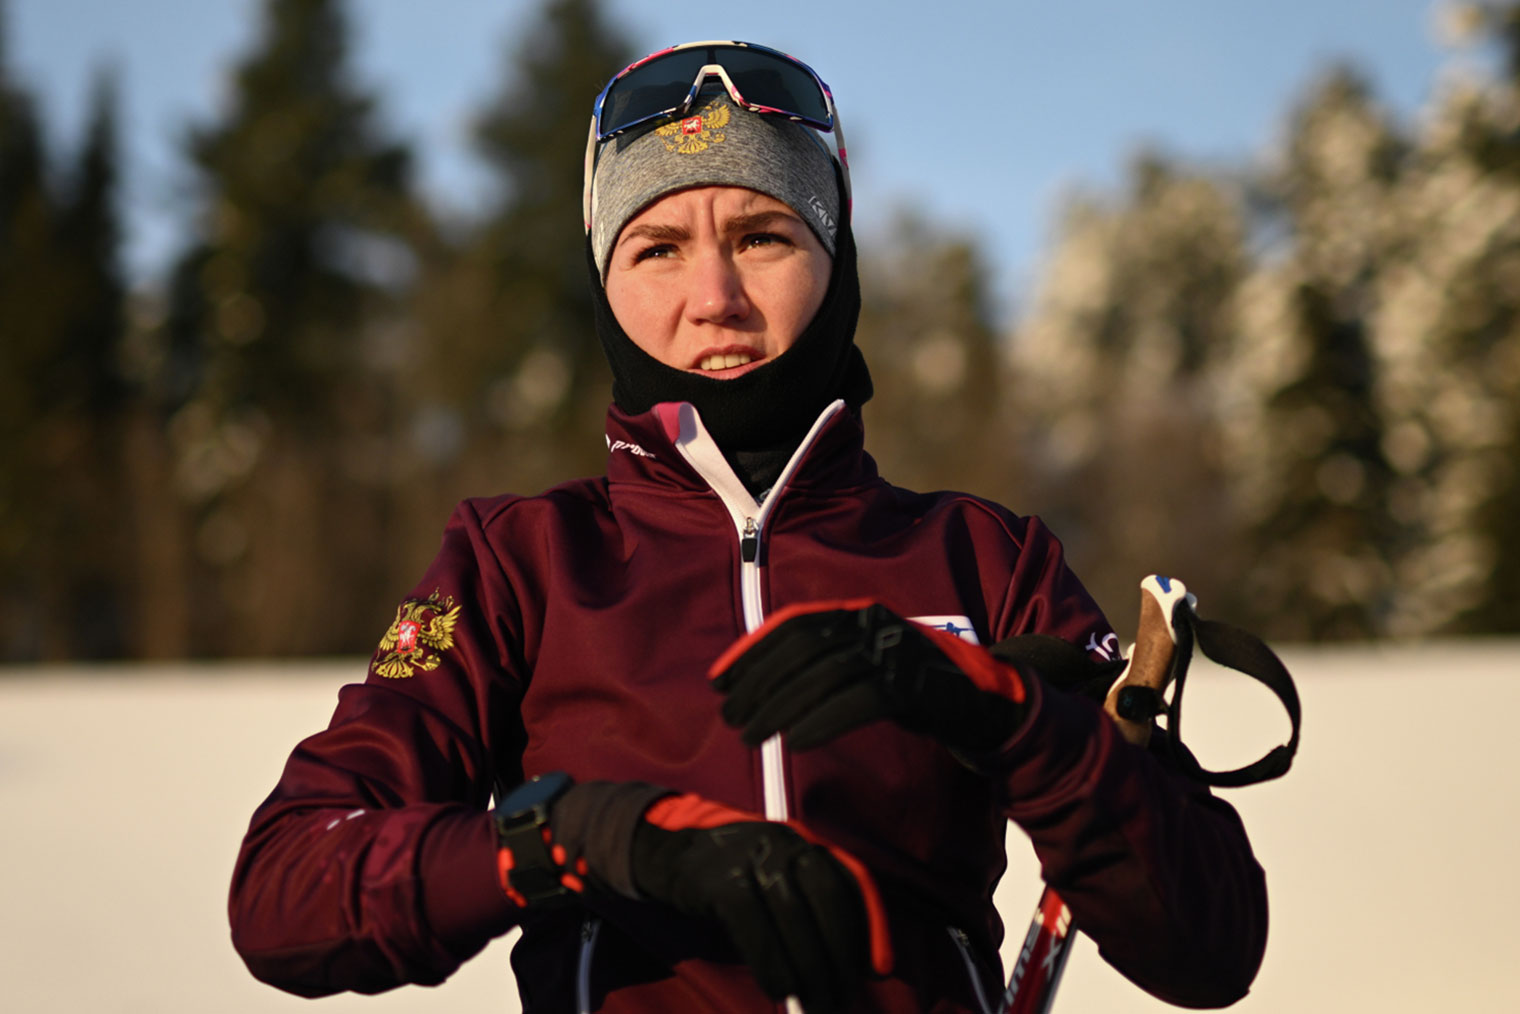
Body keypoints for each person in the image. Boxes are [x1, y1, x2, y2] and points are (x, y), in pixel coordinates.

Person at [230, 41, 1267, 1014]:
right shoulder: (523, 561)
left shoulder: (985, 557)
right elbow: (286, 892)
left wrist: (1012, 719)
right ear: (604, 284)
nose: (713, 297)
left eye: (762, 236)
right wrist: (577, 839)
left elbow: (1209, 941)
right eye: (657, 249)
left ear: (834, 262)